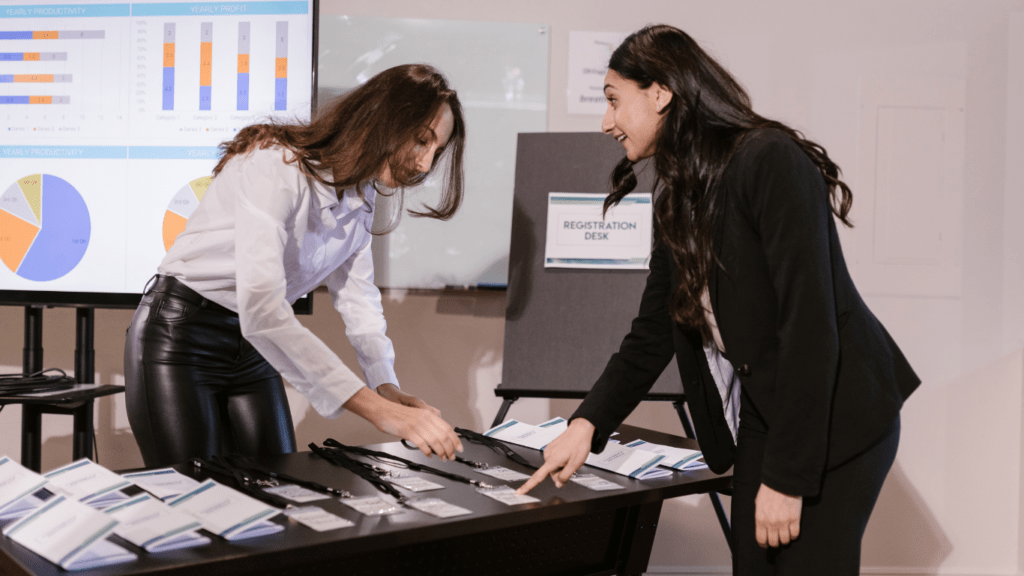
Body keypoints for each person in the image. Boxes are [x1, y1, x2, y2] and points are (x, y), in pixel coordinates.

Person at [516, 25, 920, 574]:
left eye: (614, 101)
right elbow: (654, 332)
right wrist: (587, 424)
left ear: (660, 93)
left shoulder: (769, 160)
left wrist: (788, 479)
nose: (606, 122)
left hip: (836, 411)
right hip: (764, 410)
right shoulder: (678, 197)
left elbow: (809, 326)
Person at [124, 64, 466, 469]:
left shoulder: (362, 194)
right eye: (421, 141)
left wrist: (386, 387)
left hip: (252, 346)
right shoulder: (274, 166)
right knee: (194, 502)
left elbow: (358, 299)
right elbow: (265, 311)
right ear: (382, 117)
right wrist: (380, 412)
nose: (425, 165)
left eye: (436, 151)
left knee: (279, 487)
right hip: (180, 336)